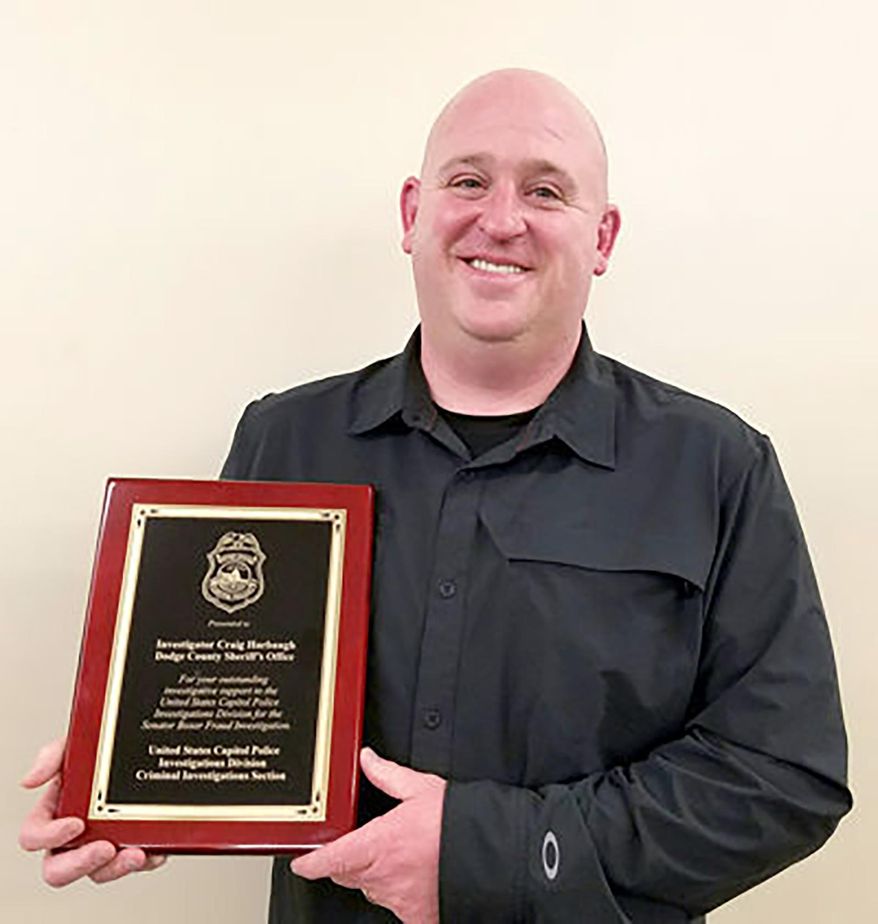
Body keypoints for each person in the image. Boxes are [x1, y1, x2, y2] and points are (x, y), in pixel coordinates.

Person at [20, 69, 851, 923]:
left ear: (602, 236)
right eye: (468, 181)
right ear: (413, 212)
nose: (502, 219)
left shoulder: (715, 466)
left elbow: (784, 777)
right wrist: (139, 777)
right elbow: (236, 691)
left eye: (545, 190)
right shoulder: (286, 441)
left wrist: (497, 854)